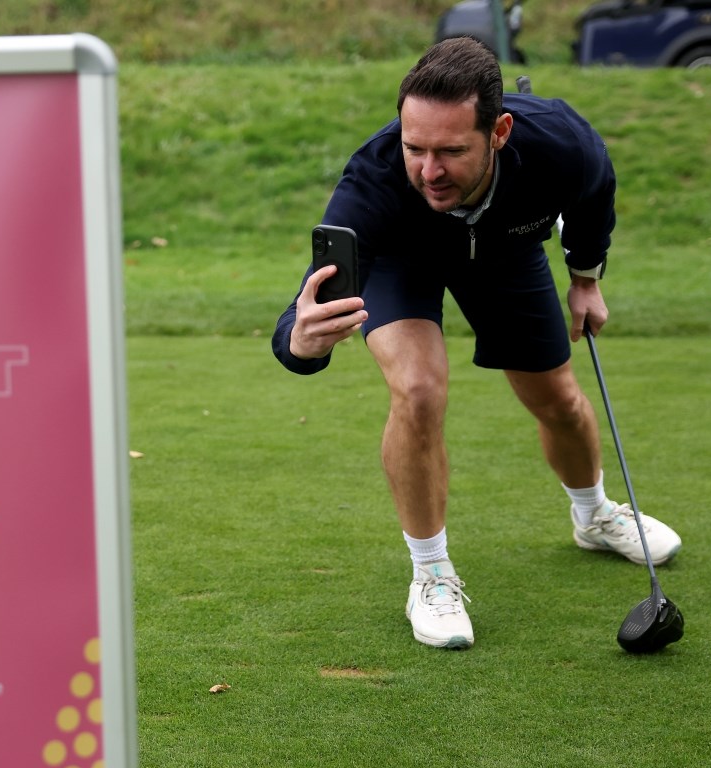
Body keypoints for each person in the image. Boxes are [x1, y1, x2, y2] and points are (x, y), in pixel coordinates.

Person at [272, 37, 680, 650]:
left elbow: (595, 190)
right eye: (415, 148)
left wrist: (585, 278)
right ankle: (431, 574)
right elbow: (306, 308)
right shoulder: (374, 179)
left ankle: (594, 515)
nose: (429, 171)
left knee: (559, 401)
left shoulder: (559, 141)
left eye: (451, 151)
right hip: (402, 261)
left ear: (499, 132)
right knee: (418, 390)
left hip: (506, 253)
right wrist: (302, 343)